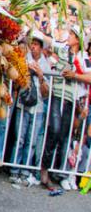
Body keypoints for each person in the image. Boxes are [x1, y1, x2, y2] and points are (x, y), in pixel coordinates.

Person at [40, 26, 91, 192]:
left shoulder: (84, 58)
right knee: (53, 131)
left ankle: (58, 173)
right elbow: (48, 44)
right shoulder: (62, 49)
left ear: (78, 39)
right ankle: (44, 171)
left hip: (72, 100)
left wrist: (75, 76)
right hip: (57, 94)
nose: (68, 36)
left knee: (64, 136)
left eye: (72, 34)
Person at [9, 32, 51, 187]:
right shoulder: (24, 59)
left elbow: (46, 93)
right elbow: (16, 79)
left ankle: (25, 171)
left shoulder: (46, 65)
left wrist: (40, 76)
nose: (33, 47)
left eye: (36, 44)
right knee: (19, 138)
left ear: (41, 48)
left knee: (31, 141)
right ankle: (14, 169)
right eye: (32, 43)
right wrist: (26, 70)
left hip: (38, 106)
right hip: (23, 102)